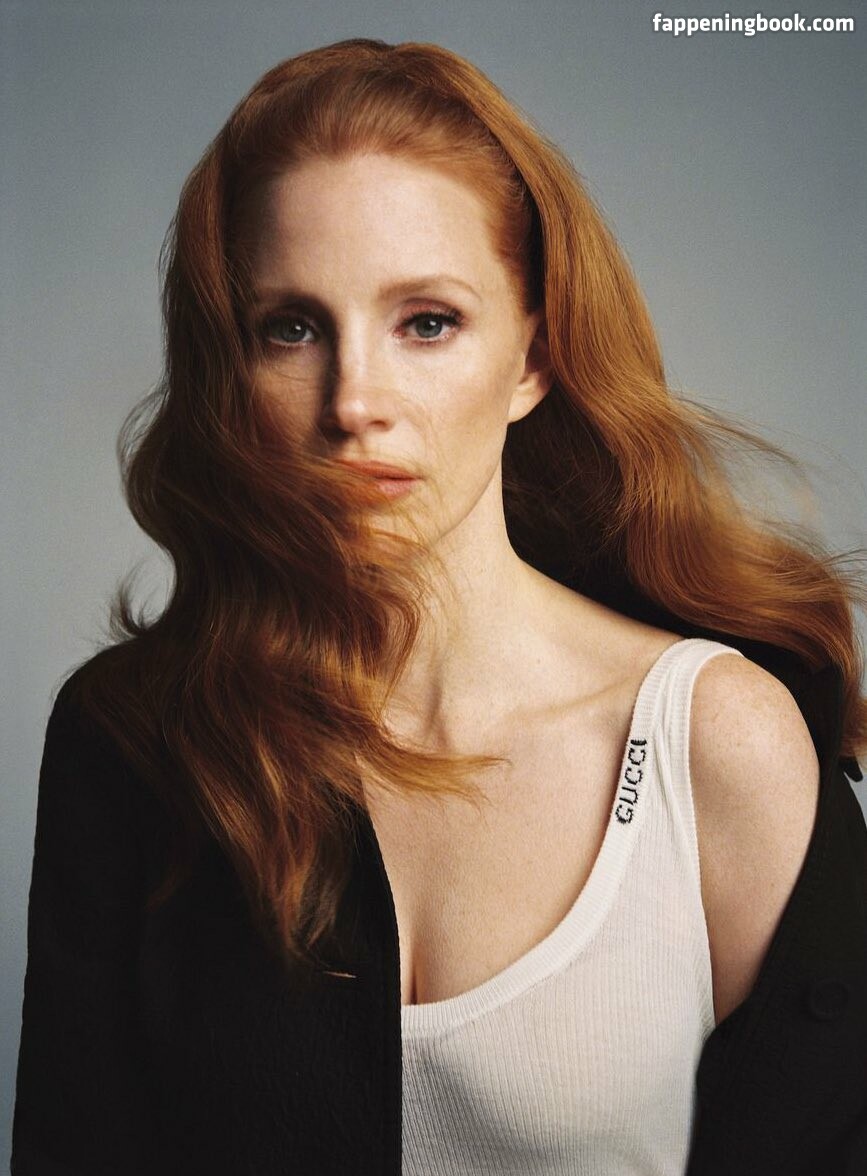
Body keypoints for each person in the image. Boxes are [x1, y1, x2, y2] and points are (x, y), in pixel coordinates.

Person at [11, 37, 867, 1176]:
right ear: (233, 369)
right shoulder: (133, 741)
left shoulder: (713, 742)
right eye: (291, 328)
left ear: (533, 357)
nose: (353, 402)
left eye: (426, 322)